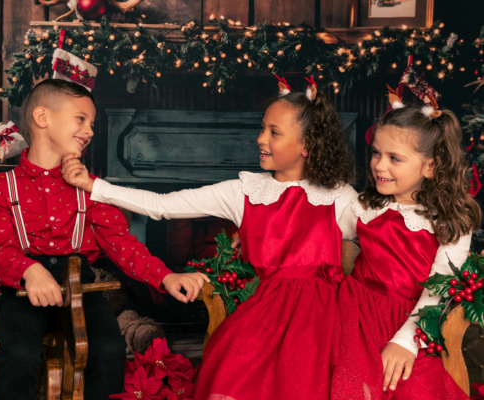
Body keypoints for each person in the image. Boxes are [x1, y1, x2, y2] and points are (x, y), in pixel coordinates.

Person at [62, 77, 358, 399]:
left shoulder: (340, 197)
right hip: (263, 315)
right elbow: (163, 206)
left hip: (324, 321)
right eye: (262, 128)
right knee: (233, 371)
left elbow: (384, 239)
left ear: (307, 144)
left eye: (274, 132)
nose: (260, 138)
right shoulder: (245, 192)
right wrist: (97, 187)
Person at [0, 79, 208, 399]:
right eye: (81, 119)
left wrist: (165, 275)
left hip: (82, 287)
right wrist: (29, 271)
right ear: (42, 117)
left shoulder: (92, 188)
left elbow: (122, 244)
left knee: (108, 349)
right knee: (18, 354)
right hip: (23, 291)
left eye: (92, 123)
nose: (89, 130)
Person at [331, 99, 480, 400]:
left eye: (394, 158)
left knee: (414, 388)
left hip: (411, 322)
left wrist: (406, 341)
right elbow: (320, 236)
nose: (379, 165)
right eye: (376, 153)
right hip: (354, 316)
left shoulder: (449, 221)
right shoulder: (363, 206)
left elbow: (441, 286)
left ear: (430, 166)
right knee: (350, 385)